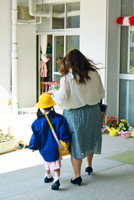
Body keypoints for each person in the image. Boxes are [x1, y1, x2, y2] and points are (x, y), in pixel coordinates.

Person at [48, 49, 105, 186]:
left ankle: (77, 176)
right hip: (93, 112)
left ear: (68, 63)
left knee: (76, 144)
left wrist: (54, 93)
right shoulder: (94, 74)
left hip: (74, 115)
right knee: (90, 139)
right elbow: (101, 94)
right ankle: (89, 165)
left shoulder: (67, 78)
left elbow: (61, 100)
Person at [29, 93, 72, 190]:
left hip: (43, 146)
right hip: (55, 146)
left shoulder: (37, 122)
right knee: (55, 163)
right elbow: (63, 132)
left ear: (41, 108)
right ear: (52, 106)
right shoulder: (59, 118)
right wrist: (67, 140)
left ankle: (47, 175)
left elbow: (34, 136)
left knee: (46, 161)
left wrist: (33, 146)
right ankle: (56, 179)